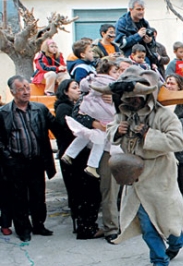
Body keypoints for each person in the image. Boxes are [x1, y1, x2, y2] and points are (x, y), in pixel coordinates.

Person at [106, 70, 183, 266]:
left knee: (165, 218)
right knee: (146, 223)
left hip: (159, 175)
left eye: (136, 97)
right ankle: (159, 260)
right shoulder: (123, 114)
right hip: (133, 176)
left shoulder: (164, 115)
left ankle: (177, 241)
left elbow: (178, 142)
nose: (132, 101)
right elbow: (110, 132)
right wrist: (118, 131)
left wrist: (148, 134)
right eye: (128, 98)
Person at [0, 76, 61, 242]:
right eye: (21, 89)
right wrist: (8, 157)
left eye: (27, 88)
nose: (26, 92)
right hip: (16, 161)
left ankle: (39, 225)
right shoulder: (4, 113)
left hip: (36, 160)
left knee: (38, 195)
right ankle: (23, 229)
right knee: (18, 197)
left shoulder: (39, 109)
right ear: (13, 92)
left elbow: (57, 127)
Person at [53, 79, 104, 239]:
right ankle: (86, 227)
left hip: (81, 156)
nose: (78, 91)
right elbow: (71, 129)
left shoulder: (80, 106)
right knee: (83, 193)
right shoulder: (64, 108)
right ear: (65, 91)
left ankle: (85, 225)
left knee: (84, 193)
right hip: (75, 159)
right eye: (74, 88)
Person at [62, 60, 121, 179]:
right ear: (107, 72)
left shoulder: (92, 79)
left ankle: (69, 153)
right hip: (104, 115)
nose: (117, 74)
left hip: (89, 110)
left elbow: (83, 86)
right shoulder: (112, 83)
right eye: (115, 71)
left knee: (85, 135)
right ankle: (92, 165)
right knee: (99, 139)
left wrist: (90, 78)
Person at [164, 75, 183, 210]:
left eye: (172, 83)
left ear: (179, 86)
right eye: (167, 83)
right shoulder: (162, 101)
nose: (169, 86)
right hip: (166, 144)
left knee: (181, 178)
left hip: (182, 145)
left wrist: (172, 123)